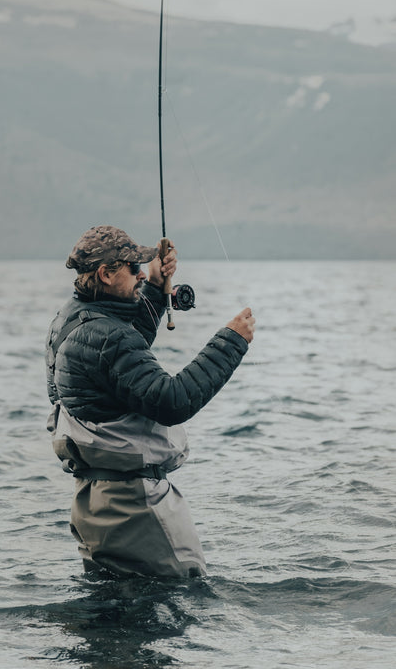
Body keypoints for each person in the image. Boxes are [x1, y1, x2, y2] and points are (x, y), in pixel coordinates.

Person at [46, 225, 255, 578]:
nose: (141, 273)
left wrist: (157, 289)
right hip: (135, 505)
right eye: (134, 269)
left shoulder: (70, 320)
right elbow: (172, 402)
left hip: (94, 501)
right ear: (106, 274)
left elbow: (119, 361)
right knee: (181, 597)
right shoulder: (107, 336)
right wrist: (231, 342)